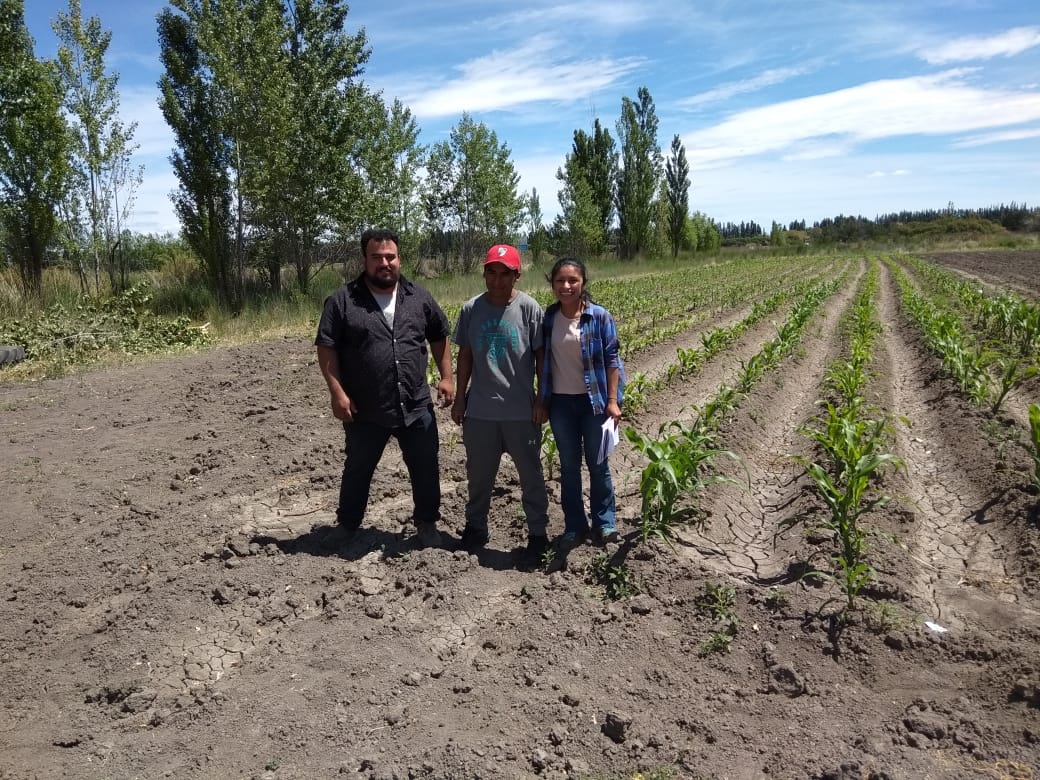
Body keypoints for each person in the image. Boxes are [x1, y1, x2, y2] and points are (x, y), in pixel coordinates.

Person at [315, 228, 454, 548]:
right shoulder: (343, 301)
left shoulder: (418, 297)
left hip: (415, 403)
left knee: (425, 467)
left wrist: (447, 377)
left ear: (399, 259)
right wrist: (337, 393)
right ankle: (347, 526)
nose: (385, 263)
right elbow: (326, 346)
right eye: (376, 257)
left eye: (390, 257)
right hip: (365, 408)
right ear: (364, 260)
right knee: (358, 468)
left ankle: (427, 525)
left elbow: (439, 335)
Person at [451, 244, 550, 567]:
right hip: (480, 412)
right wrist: (460, 398)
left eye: (504, 273)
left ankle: (537, 535)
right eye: (491, 272)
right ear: (484, 273)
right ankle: (476, 529)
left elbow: (541, 358)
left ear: (516, 275)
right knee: (478, 477)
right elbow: (464, 356)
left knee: (531, 477)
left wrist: (540, 398)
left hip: (521, 412)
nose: (496, 280)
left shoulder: (529, 309)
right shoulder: (471, 309)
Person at [538, 257, 625, 548]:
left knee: (598, 464)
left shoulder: (599, 317)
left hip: (595, 403)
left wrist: (613, 401)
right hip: (561, 403)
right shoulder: (548, 318)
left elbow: (613, 360)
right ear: (552, 284)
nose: (566, 286)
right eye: (560, 280)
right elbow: (541, 361)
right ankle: (575, 526)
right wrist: (542, 399)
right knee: (569, 466)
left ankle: (605, 523)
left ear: (583, 283)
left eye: (572, 280)